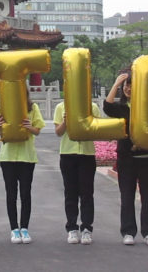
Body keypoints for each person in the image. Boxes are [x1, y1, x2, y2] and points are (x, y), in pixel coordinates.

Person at [103, 71, 148, 247]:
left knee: (147, 196)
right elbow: (107, 106)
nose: (128, 88)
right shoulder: (120, 108)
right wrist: (116, 83)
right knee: (127, 195)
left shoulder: (147, 106)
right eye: (125, 86)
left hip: (147, 157)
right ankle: (128, 231)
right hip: (126, 158)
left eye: (131, 85)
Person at [0, 88, 45, 244]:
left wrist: (29, 126)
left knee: (25, 193)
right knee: (11, 194)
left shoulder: (33, 107)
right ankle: (14, 229)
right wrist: (1, 126)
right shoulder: (3, 107)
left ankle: (24, 228)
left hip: (26, 157)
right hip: (7, 157)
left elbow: (37, 131)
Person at [53, 100, 98, 245]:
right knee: (70, 193)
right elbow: (58, 132)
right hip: (67, 154)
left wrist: (87, 121)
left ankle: (86, 229)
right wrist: (66, 121)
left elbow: (96, 131)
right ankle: (72, 228)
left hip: (87, 154)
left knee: (87, 193)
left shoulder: (92, 106)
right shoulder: (61, 107)